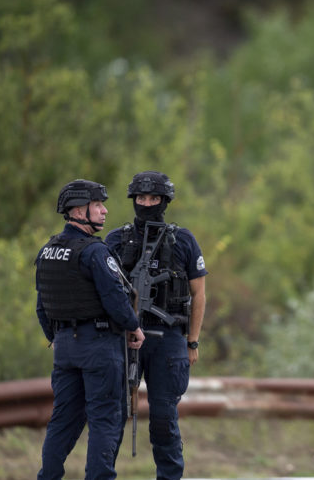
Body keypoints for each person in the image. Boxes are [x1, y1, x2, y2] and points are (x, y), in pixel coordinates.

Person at [35, 179, 145, 480]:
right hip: (99, 346)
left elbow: (41, 307)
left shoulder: (47, 252)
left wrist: (57, 337)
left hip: (64, 348)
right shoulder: (95, 252)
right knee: (106, 420)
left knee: (63, 421)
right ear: (79, 210)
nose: (105, 210)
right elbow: (115, 298)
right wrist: (134, 327)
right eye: (98, 205)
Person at [105, 170, 208, 480]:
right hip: (123, 339)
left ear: (165, 201)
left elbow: (199, 294)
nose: (146, 203)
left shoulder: (183, 240)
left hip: (168, 340)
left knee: (163, 418)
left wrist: (192, 341)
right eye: (141, 198)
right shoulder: (116, 239)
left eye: (153, 198)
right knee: (112, 417)